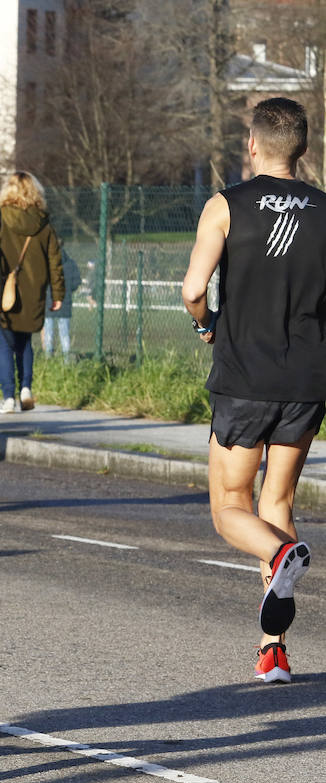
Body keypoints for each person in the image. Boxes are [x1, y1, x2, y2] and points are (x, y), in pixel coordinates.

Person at [181, 96, 325, 684]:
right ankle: (274, 652)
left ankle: (283, 558)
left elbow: (194, 287)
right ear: (303, 148)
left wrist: (205, 322)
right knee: (277, 505)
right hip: (308, 379)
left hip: (244, 377)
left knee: (229, 509)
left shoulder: (226, 206)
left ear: (252, 144)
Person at [0, 171, 64, 413]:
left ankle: (8, 398)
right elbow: (55, 261)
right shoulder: (44, 224)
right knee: (25, 344)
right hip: (32, 295)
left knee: (3, 346)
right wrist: (58, 295)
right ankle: (26, 389)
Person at [43, 249, 79, 359]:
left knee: (48, 334)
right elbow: (76, 283)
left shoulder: (46, 264)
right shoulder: (71, 264)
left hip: (49, 303)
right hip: (65, 302)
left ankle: (48, 358)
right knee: (64, 334)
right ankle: (66, 360)